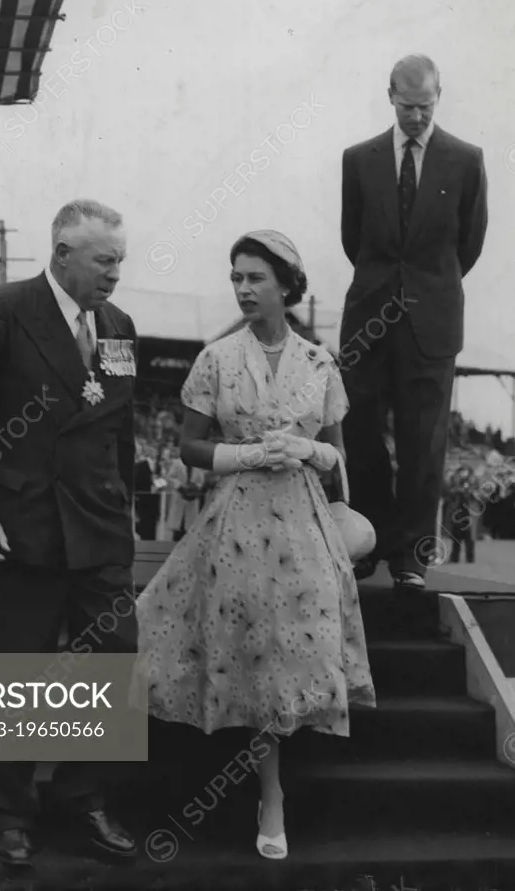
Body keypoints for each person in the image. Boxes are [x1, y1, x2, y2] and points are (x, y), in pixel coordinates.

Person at [136, 230, 375, 861]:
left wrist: (308, 449)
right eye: (236, 277)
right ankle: (267, 794)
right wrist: (244, 453)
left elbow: (338, 457)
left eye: (255, 279)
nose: (242, 288)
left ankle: (279, 795)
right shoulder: (214, 359)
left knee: (294, 647)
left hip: (302, 519)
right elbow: (188, 447)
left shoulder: (321, 364)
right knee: (239, 645)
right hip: (235, 521)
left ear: (287, 287)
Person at [0, 199, 138, 867]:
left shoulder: (119, 326)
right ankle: (8, 812)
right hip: (16, 527)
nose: (114, 274)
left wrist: (122, 508)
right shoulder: (2, 311)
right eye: (104, 261)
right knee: (13, 671)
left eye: (120, 262)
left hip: (98, 528)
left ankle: (85, 798)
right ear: (62, 256)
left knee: (112, 657)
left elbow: (118, 429)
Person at [340, 54, 488, 589]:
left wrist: (428, 288)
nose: (417, 118)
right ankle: (370, 542)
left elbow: (467, 246)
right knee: (358, 430)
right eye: (408, 107)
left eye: (426, 107)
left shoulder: (466, 161)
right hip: (368, 317)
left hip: (433, 321)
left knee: (422, 442)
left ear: (438, 97)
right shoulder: (358, 160)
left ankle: (412, 559)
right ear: (390, 96)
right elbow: (352, 240)